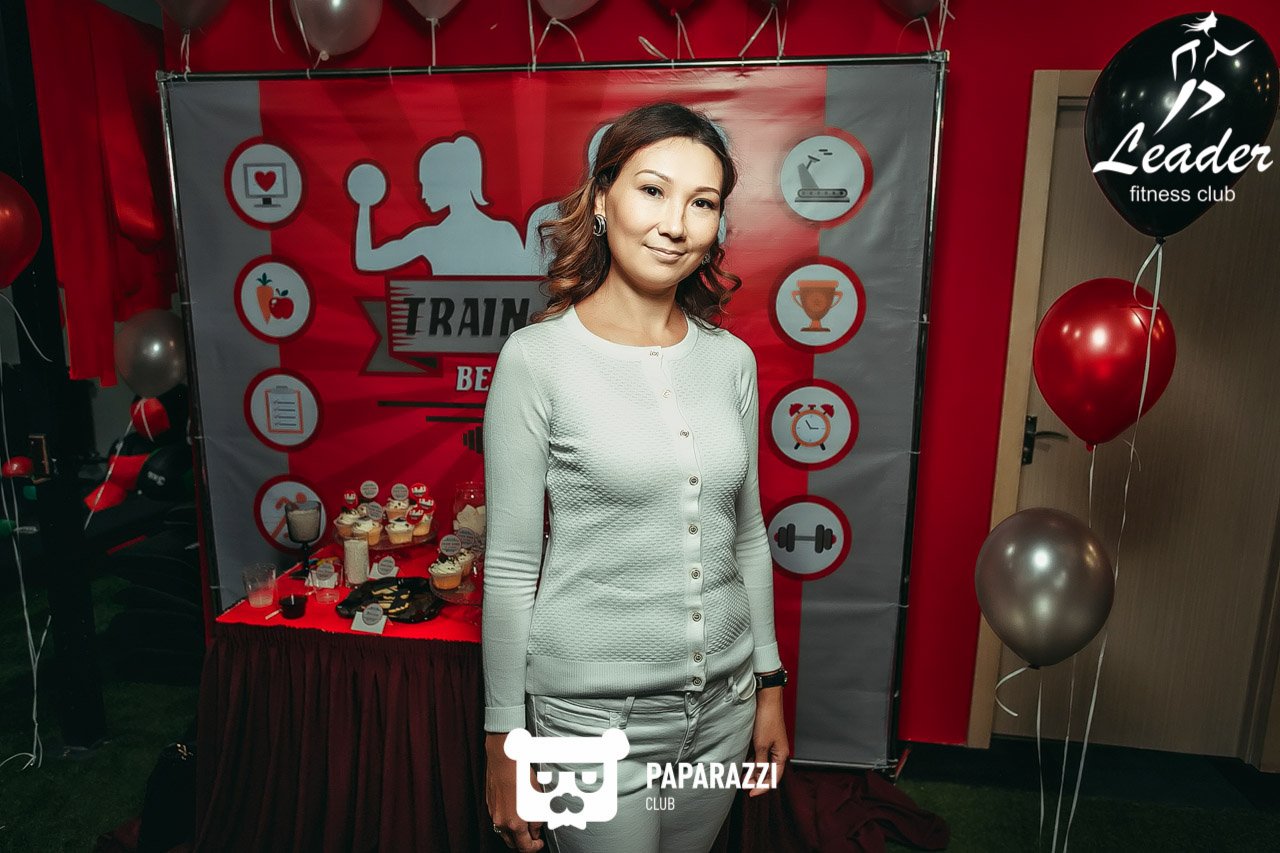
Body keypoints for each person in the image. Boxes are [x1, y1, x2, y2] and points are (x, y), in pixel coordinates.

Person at [482, 102, 789, 853]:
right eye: (653, 190)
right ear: (602, 198)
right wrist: (504, 742)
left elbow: (748, 535)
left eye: (702, 202)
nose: (675, 224)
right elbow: (512, 565)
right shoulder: (536, 359)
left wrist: (769, 686)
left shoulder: (732, 362)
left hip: (722, 713)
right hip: (590, 722)